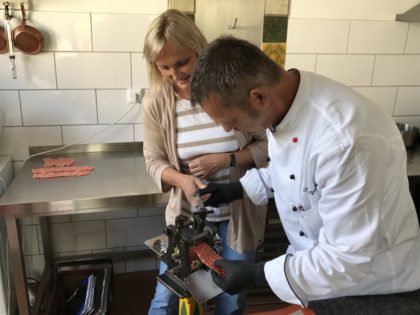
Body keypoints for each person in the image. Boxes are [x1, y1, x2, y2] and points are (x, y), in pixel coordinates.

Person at [191, 35, 420, 314]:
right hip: (322, 272)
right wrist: (236, 189)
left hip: (376, 287)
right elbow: (291, 168)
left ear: (259, 97)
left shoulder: (345, 139)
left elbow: (347, 258)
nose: (228, 130)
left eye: (232, 121)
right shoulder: (285, 102)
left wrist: (256, 274)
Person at [141, 11, 268, 315]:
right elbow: (153, 161)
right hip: (187, 219)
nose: (175, 74)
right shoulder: (156, 103)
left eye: (182, 62)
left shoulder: (232, 90)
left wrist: (228, 159)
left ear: (200, 49)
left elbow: (267, 147)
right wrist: (181, 180)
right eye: (164, 67)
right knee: (166, 298)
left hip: (236, 218)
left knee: (231, 297)